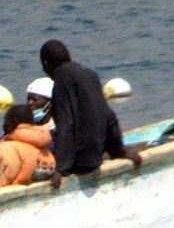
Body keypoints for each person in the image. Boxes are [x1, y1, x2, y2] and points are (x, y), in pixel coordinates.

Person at [39, 39, 143, 189]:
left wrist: (60, 169)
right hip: (95, 159)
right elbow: (108, 116)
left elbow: (66, 124)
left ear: (46, 64)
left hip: (80, 164)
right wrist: (119, 151)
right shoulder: (90, 74)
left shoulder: (61, 77)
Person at [0, 104, 55, 190]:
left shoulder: (6, 149)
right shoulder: (42, 146)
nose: (4, 124)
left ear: (13, 121)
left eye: (6, 120)